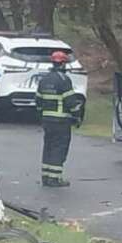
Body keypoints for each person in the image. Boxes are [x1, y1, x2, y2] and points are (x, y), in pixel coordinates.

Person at [35, 51, 83, 188]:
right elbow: (70, 102)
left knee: (48, 147)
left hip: (47, 120)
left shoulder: (44, 79)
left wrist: (41, 115)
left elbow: (38, 100)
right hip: (61, 120)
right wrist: (77, 115)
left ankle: (46, 176)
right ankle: (54, 178)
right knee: (59, 148)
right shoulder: (64, 80)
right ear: (63, 64)